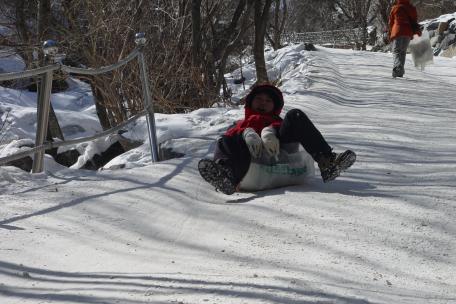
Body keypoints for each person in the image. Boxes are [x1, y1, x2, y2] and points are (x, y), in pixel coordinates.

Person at [198, 83, 356, 195]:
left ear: (275, 106)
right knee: (225, 139)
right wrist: (247, 133)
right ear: (251, 102)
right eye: (259, 99)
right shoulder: (239, 124)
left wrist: (271, 131)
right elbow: (229, 142)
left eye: (268, 101)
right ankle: (227, 176)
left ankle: (327, 162)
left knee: (296, 115)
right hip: (249, 161)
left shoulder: (280, 122)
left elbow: (285, 128)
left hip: (280, 154)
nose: (263, 103)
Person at [388, 0, 422, 78]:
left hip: (397, 31)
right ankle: (399, 72)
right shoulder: (412, 8)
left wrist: (390, 33)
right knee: (402, 52)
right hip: (408, 32)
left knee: (396, 51)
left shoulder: (395, 8)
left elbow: (391, 22)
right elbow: (415, 20)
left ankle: (398, 67)